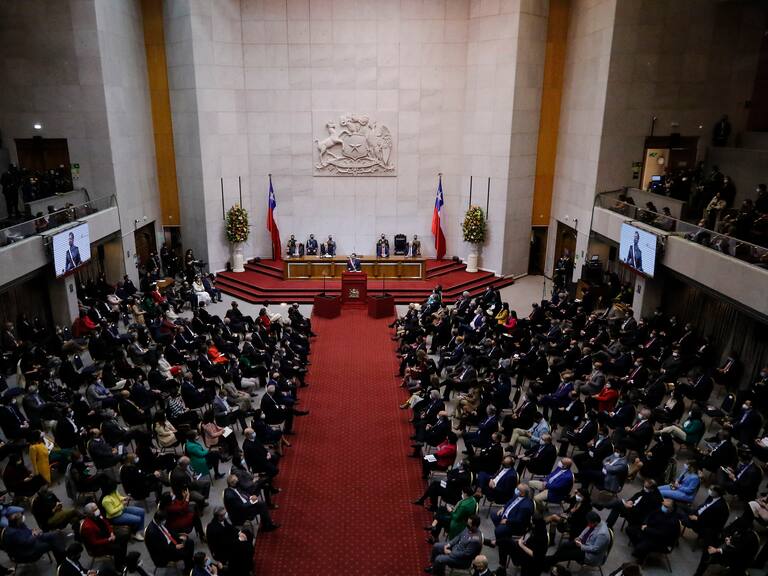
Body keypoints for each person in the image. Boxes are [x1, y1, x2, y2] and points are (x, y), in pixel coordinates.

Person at [543, 511, 610, 569]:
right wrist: (580, 537)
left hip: (590, 555)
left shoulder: (603, 534)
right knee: (564, 546)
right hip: (583, 543)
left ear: (595, 522)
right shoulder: (596, 522)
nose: (588, 524)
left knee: (566, 554)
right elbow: (587, 528)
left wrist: (581, 546)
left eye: (589, 523)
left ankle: (547, 561)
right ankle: (549, 561)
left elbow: (595, 549)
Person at [625, 498, 680, 562]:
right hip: (651, 532)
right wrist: (645, 523)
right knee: (629, 530)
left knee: (640, 547)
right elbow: (650, 515)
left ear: (672, 509)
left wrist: (646, 529)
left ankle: (642, 556)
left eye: (665, 506)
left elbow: (661, 534)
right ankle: (639, 548)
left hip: (662, 541)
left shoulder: (672, 521)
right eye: (663, 505)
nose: (663, 507)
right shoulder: (661, 510)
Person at [144, 509, 195, 574]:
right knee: (186, 553)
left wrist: (178, 536)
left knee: (190, 542)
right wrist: (175, 547)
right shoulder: (152, 533)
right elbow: (161, 549)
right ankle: (188, 570)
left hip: (170, 542)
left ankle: (189, 565)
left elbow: (169, 532)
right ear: (157, 520)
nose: (165, 521)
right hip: (164, 553)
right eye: (164, 520)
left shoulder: (159, 522)